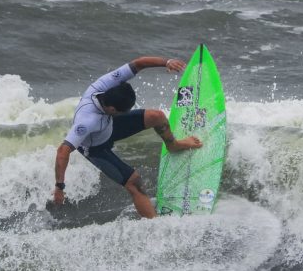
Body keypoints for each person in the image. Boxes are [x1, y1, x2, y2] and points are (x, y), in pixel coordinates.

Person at [52, 56, 202, 218]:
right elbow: (63, 150)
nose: (127, 112)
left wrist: (166, 62)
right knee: (134, 183)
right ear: (112, 109)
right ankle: (156, 225)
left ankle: (173, 145)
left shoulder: (105, 84)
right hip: (95, 147)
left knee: (156, 116)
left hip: (108, 126)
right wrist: (60, 187)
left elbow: (138, 64)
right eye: (124, 111)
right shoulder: (86, 121)